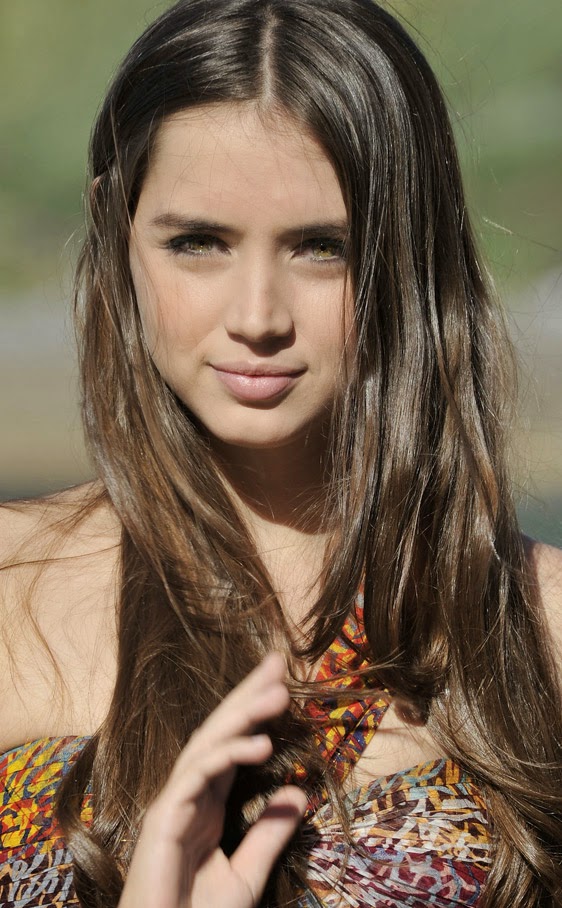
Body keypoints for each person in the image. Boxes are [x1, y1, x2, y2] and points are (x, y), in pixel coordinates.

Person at [1, 0, 561, 906]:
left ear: (408, 253)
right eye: (197, 243)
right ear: (114, 229)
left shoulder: (538, 632)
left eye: (322, 249)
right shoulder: (9, 588)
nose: (257, 316)